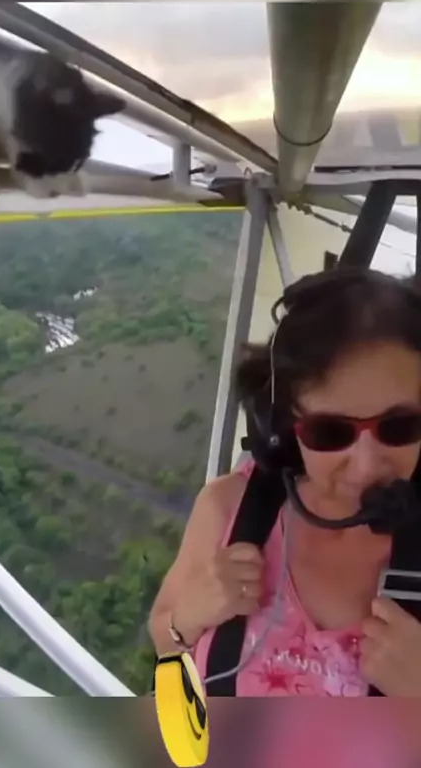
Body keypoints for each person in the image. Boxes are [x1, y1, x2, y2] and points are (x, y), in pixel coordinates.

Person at [148, 267, 421, 696]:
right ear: (277, 428)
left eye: (399, 425)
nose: (366, 466)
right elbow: (164, 640)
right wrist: (190, 614)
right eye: (330, 432)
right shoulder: (229, 510)